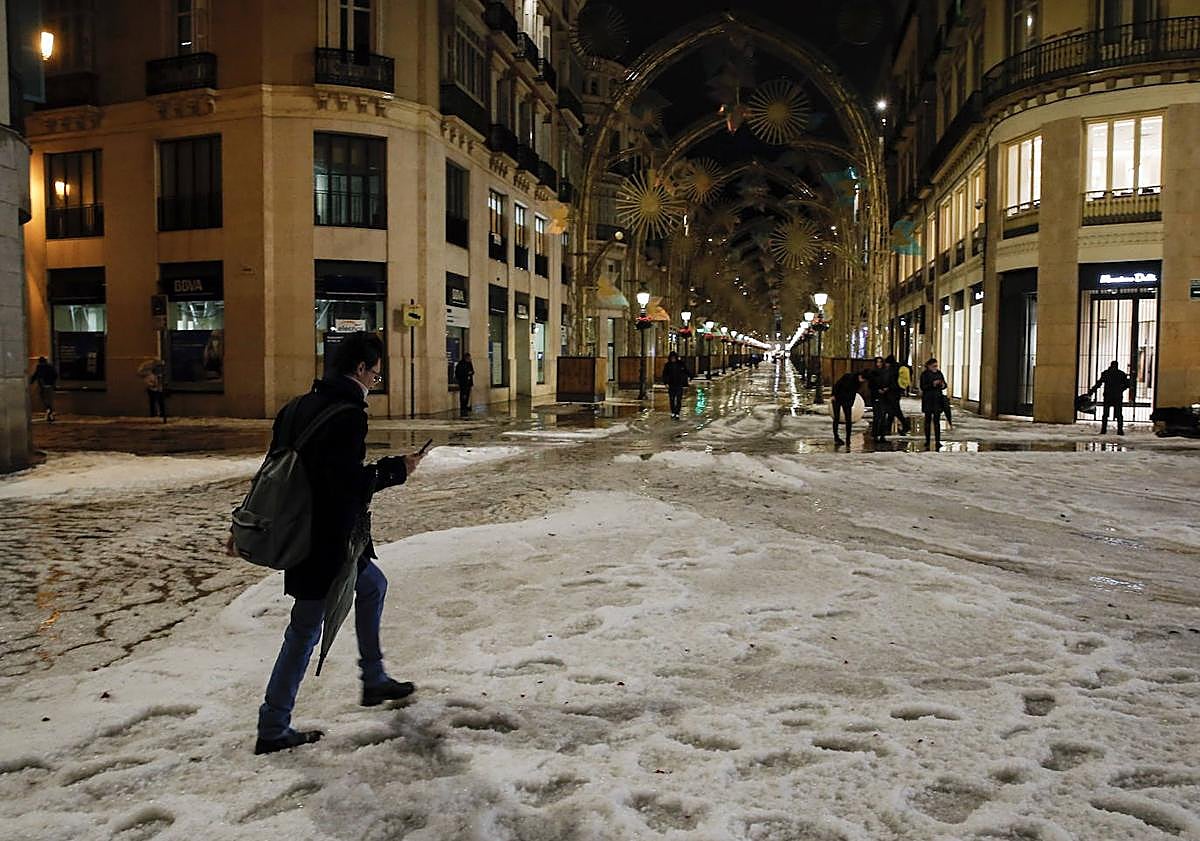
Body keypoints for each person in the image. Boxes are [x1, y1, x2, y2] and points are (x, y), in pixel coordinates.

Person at [254, 332, 424, 755]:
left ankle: (374, 678)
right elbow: (345, 485)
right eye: (375, 375)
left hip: (301, 530)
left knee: (373, 586)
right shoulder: (347, 415)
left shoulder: (296, 408)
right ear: (361, 369)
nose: (374, 383)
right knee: (304, 629)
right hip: (325, 542)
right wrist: (396, 470)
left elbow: (272, 470)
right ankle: (272, 727)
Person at [1091, 360, 1131, 435]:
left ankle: (1103, 430)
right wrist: (1121, 390)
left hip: (1108, 396)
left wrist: (1092, 391)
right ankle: (1120, 430)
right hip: (1117, 396)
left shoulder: (1106, 373)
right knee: (1119, 414)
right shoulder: (1121, 374)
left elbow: (1099, 383)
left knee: (1105, 414)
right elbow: (1127, 384)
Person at [831, 370, 866, 447]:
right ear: (860, 376)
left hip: (847, 401)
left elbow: (853, 394)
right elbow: (837, 385)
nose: (862, 381)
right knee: (836, 418)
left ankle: (848, 438)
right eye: (862, 379)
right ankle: (836, 437)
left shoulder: (858, 383)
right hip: (837, 398)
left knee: (848, 419)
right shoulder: (848, 377)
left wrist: (851, 403)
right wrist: (833, 394)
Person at [920, 358, 948, 449]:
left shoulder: (939, 373)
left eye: (936, 366)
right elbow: (923, 386)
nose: (936, 367)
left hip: (937, 400)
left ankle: (937, 441)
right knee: (927, 421)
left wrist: (943, 385)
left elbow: (945, 384)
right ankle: (927, 440)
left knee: (937, 421)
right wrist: (932, 384)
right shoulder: (924, 374)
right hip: (928, 399)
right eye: (934, 366)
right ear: (929, 366)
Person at [884, 354, 911, 435]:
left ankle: (905, 425)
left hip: (892, 392)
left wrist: (888, 388)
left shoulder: (892, 369)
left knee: (895, 410)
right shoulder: (898, 367)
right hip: (897, 392)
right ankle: (888, 428)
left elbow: (892, 381)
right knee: (892, 410)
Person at [661, 351, 691, 419]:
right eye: (672, 358)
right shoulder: (668, 365)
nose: (673, 359)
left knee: (678, 399)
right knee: (672, 399)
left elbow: (686, 371)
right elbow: (665, 374)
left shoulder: (680, 364)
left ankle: (677, 413)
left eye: (674, 358)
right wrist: (666, 383)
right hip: (671, 384)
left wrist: (689, 377)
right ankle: (673, 412)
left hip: (679, 384)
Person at [30, 356, 57, 423]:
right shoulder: (50, 366)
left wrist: (31, 381)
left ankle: (49, 409)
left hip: (43, 385)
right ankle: (49, 413)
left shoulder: (39, 367)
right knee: (49, 399)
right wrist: (52, 382)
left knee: (44, 398)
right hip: (50, 385)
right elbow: (55, 375)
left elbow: (37, 375)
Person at [454, 352, 474, 418]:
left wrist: (470, 373)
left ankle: (466, 406)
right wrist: (467, 373)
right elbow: (458, 373)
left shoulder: (469, 363)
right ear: (465, 358)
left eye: (469, 358)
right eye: (468, 358)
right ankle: (463, 407)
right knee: (463, 395)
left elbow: (472, 371)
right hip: (463, 382)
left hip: (469, 382)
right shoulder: (460, 364)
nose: (469, 359)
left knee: (467, 395)